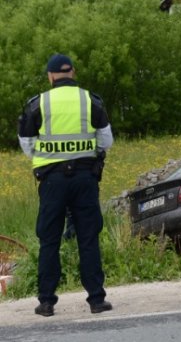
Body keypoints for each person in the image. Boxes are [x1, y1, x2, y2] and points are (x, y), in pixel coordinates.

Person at [17, 54, 114, 316]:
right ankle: (96, 299)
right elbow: (106, 140)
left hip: (52, 181)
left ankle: (46, 302)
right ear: (73, 72)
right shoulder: (89, 100)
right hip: (85, 178)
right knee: (88, 238)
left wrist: (48, 155)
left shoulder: (39, 103)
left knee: (49, 239)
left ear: (50, 76)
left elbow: (26, 143)